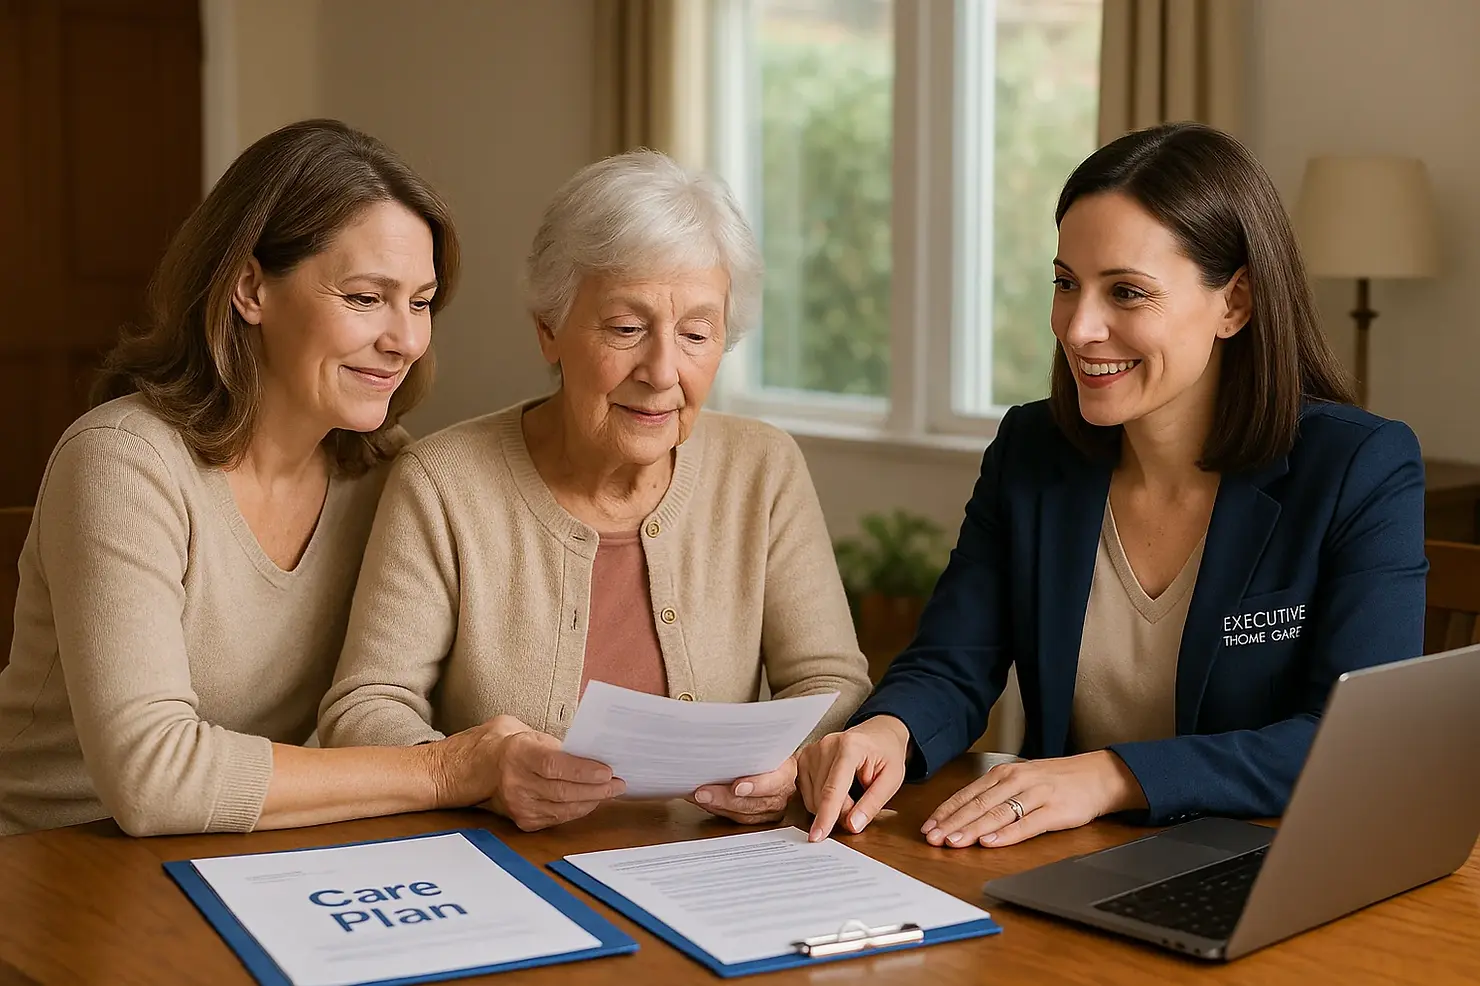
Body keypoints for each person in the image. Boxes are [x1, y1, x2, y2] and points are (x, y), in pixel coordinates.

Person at [797, 122, 1427, 849]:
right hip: (1066, 863)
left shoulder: (1360, 468)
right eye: (1066, 284)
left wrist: (1109, 776)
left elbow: (1348, 740)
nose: (1079, 327)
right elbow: (953, 661)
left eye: (1126, 292)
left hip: (1272, 867)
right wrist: (887, 729)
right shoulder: (1030, 450)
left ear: (1236, 304)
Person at [319, 149, 872, 832]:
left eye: (697, 333)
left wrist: (791, 761)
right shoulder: (441, 482)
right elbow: (364, 705)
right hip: (510, 868)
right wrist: (476, 772)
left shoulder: (764, 467)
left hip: (713, 863)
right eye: (626, 328)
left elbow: (832, 681)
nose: (663, 370)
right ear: (550, 330)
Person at [0, 120, 522, 836]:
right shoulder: (122, 462)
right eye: (366, 297)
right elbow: (154, 778)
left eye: (421, 301)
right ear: (250, 287)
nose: (404, 339)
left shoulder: (387, 472)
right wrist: (442, 770)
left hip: (230, 856)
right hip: (50, 861)